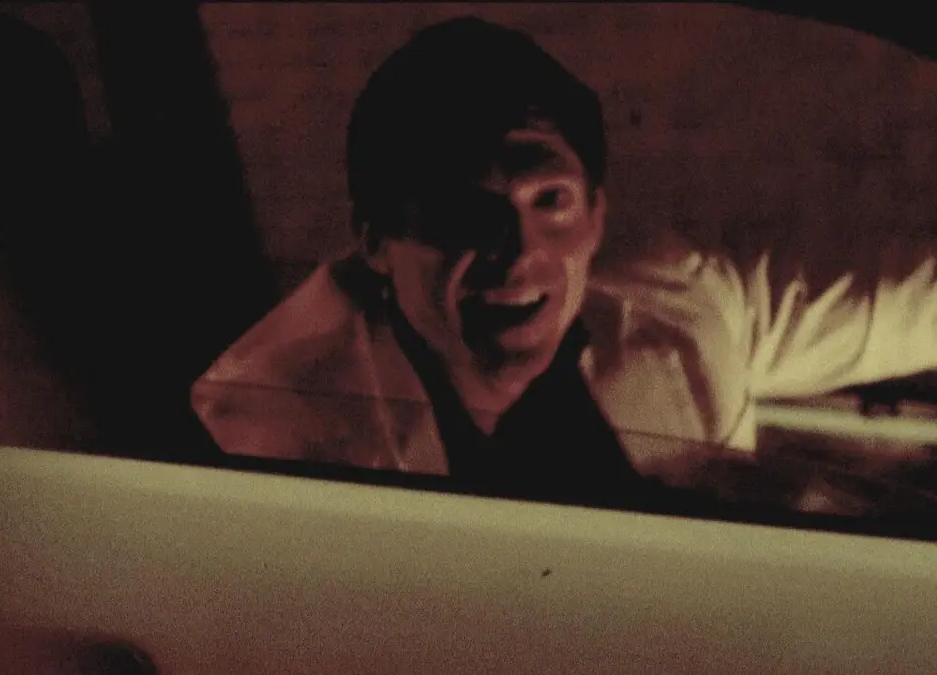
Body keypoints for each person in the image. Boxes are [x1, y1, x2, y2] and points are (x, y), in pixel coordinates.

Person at [190, 16, 937, 500]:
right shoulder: (262, 444)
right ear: (375, 240)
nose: (519, 252)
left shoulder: (676, 303)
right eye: (463, 210)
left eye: (550, 199)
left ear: (598, 212)